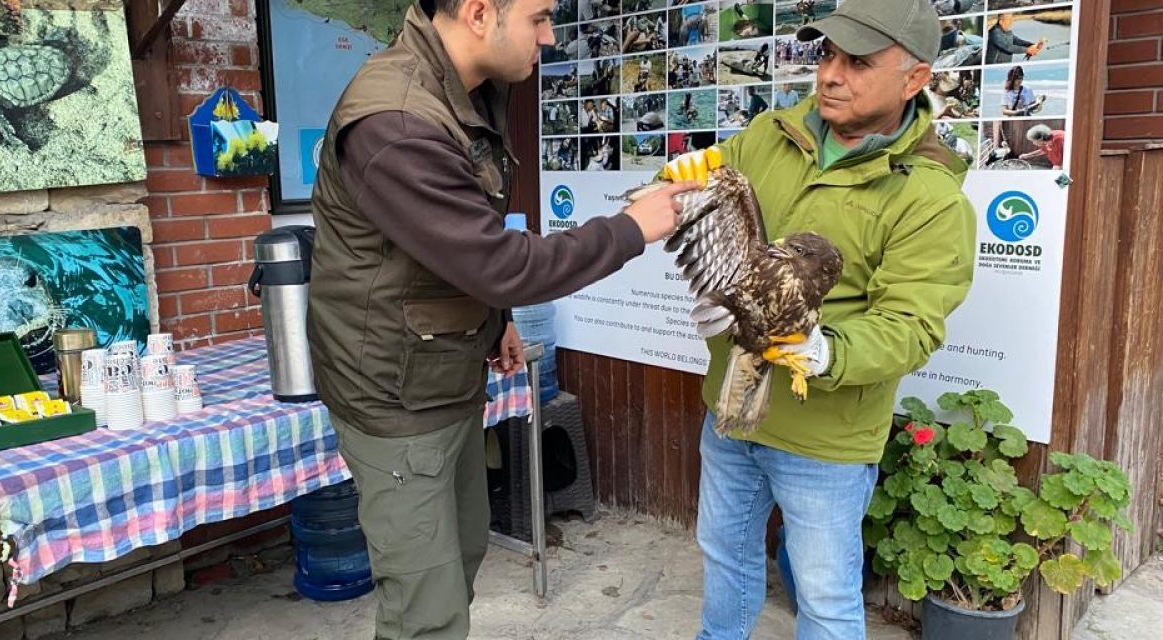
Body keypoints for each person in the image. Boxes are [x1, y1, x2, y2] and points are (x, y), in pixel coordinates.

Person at [306, 1, 697, 638]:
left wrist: (496, 320)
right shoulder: (397, 120)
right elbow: (499, 260)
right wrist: (632, 229)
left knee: (459, 558)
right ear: (481, 13)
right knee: (424, 612)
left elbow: (458, 238)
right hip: (394, 395)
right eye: (540, 17)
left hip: (441, 373)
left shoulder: (465, 90)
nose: (549, 34)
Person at [658, 0, 976, 637]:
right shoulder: (771, 134)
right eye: (827, 54)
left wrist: (824, 350)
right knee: (723, 555)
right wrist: (670, 188)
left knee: (826, 598)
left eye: (858, 61)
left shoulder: (930, 197)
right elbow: (707, 184)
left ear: (915, 79)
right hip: (734, 411)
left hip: (826, 440)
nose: (831, 73)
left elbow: (910, 325)